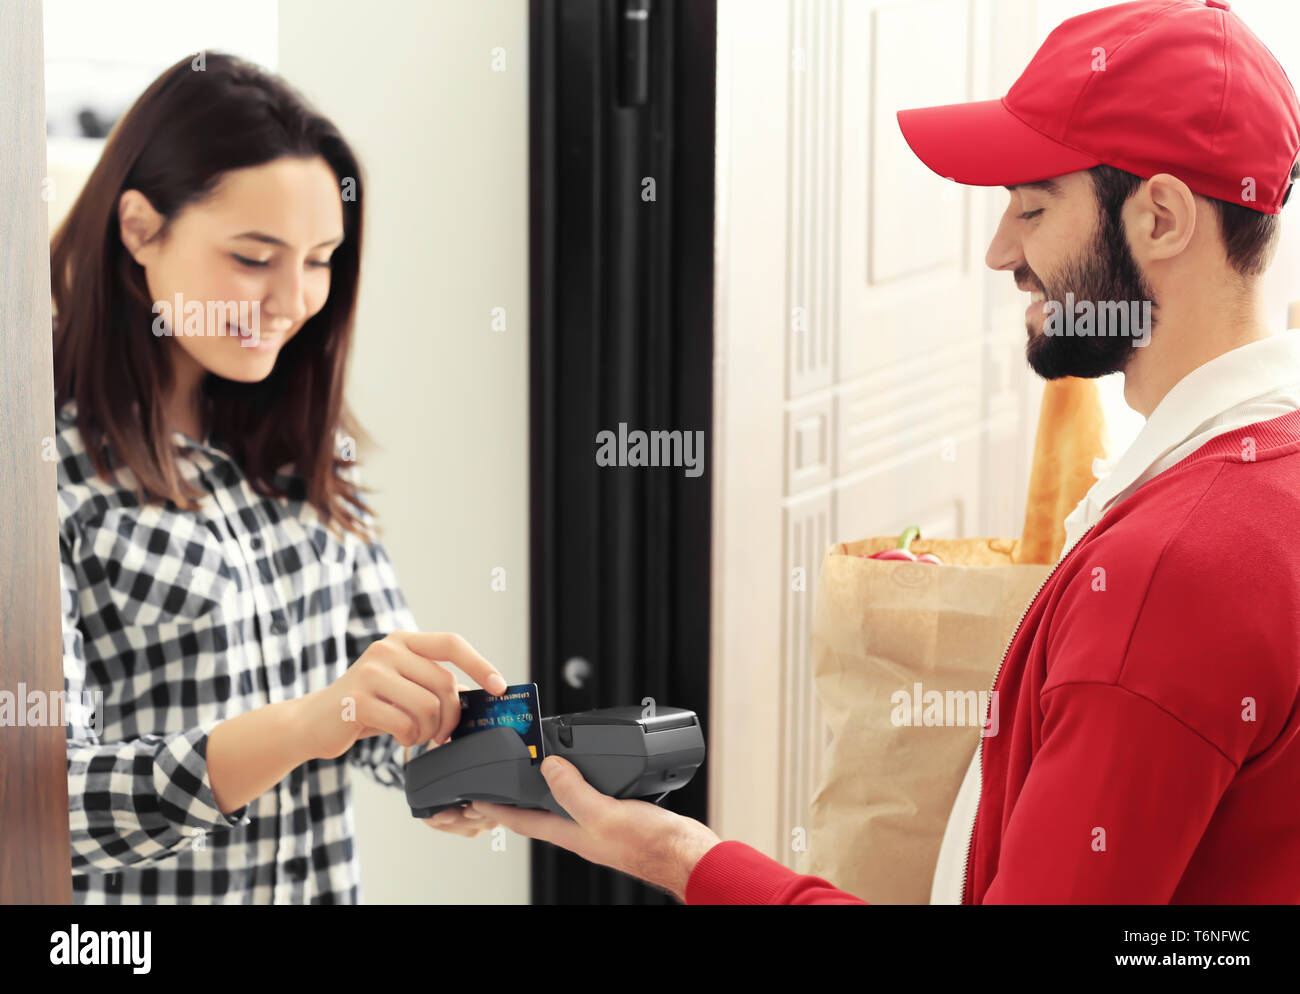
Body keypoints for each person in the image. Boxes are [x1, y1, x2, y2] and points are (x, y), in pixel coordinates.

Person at [478, 0, 1300, 903]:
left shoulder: (1171, 572)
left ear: (1163, 218)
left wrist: (682, 861)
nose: (999, 252)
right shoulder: (1263, 479)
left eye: (1033, 206)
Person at [54, 51, 504, 904]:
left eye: (320, 259)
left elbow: (371, 703)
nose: (294, 301)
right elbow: (51, 806)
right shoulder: (49, 476)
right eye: (254, 258)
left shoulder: (299, 441)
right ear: (140, 228)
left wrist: (453, 753)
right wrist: (311, 722)